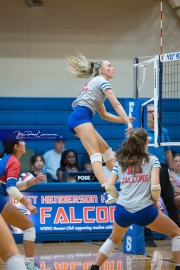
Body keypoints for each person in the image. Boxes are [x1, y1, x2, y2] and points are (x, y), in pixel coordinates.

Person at [89, 128, 180, 270]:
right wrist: (155, 204)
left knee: (113, 239)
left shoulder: (120, 162)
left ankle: (94, 267)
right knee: (176, 233)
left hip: (122, 210)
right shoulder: (152, 160)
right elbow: (155, 188)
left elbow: (109, 186)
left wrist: (119, 199)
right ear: (145, 142)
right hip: (144, 210)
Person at [66, 52, 134, 203]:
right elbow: (116, 104)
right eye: (109, 66)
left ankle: (125, 184)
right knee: (95, 155)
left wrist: (124, 119)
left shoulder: (96, 84)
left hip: (80, 119)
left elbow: (104, 115)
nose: (113, 68)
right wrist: (128, 123)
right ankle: (107, 190)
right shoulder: (101, 82)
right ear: (101, 70)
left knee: (107, 152)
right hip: (80, 118)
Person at [0, 135, 45, 270]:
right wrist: (28, 204)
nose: (24, 142)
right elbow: (11, 188)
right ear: (16, 146)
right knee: (29, 227)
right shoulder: (13, 161)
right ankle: (30, 265)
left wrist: (34, 181)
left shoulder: (6, 159)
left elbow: (12, 185)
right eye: (22, 141)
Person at [144, 104, 180, 247]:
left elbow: (168, 152)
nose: (152, 114)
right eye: (149, 111)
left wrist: (171, 170)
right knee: (148, 202)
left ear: (158, 114)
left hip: (163, 168)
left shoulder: (163, 131)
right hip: (147, 169)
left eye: (154, 111)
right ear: (146, 114)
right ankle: (148, 238)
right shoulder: (142, 131)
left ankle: (177, 232)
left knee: (170, 201)